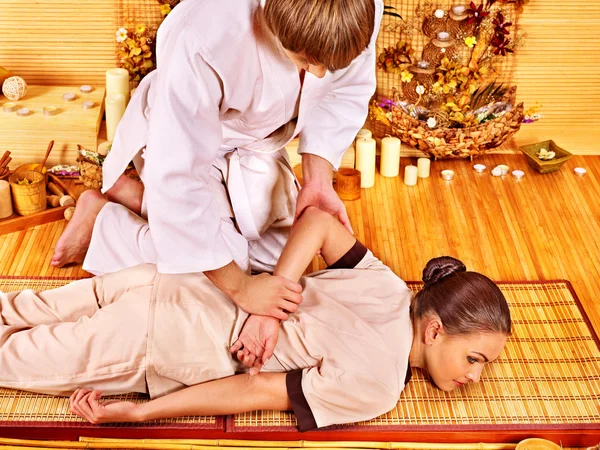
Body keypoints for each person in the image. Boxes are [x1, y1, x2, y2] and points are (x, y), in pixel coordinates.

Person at [0, 207, 511, 430]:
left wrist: (273, 297)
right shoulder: (379, 385)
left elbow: (317, 222)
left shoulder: (386, 282)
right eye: (475, 358)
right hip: (153, 340)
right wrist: (138, 414)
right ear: (435, 328)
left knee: (19, 306)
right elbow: (253, 391)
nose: (474, 376)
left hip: (171, 279)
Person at [50, 0, 384, 319]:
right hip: (185, 140)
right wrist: (239, 288)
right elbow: (179, 176)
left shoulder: (354, 8)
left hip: (255, 142)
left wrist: (317, 181)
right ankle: (103, 226)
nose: (321, 74)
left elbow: (344, 91)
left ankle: (135, 198)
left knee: (282, 257)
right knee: (221, 278)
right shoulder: (201, 34)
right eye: (306, 60)